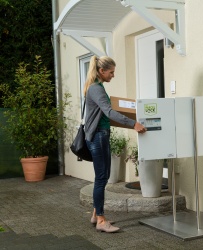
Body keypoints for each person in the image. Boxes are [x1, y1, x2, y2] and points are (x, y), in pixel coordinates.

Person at [84, 55, 146, 233]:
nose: (113, 75)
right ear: (101, 71)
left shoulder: (96, 87)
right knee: (102, 178)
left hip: (99, 136)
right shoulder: (96, 88)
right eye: (111, 72)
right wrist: (133, 123)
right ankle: (102, 221)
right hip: (99, 137)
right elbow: (109, 111)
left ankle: (96, 213)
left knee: (101, 177)